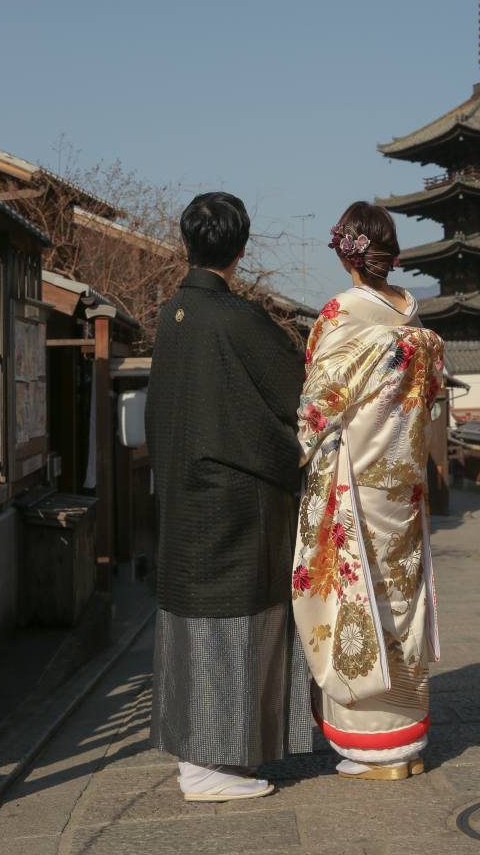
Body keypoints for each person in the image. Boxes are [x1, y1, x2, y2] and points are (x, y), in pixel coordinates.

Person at [145, 191, 310, 802]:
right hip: (236, 496)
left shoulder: (171, 315)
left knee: (194, 622)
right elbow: (295, 393)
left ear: (187, 244)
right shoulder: (238, 318)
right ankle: (211, 765)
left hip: (185, 491)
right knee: (234, 624)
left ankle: (197, 753)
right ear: (241, 250)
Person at [292, 201, 443, 781]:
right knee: (401, 604)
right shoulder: (414, 315)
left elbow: (314, 409)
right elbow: (423, 405)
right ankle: (408, 740)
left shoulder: (342, 312)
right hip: (402, 487)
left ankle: (372, 748)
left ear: (346, 253)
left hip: (355, 483)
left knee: (353, 601)